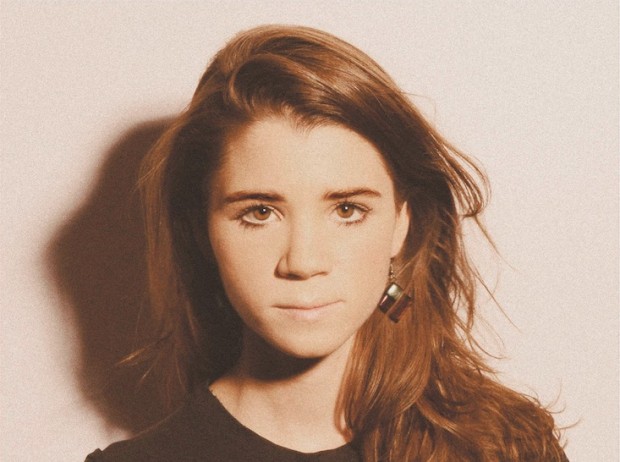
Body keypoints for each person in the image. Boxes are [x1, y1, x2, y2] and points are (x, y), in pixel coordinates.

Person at [86, 25, 567, 461]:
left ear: (401, 223)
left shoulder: (503, 447)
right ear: (203, 230)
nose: (304, 261)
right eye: (259, 213)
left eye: (347, 210)